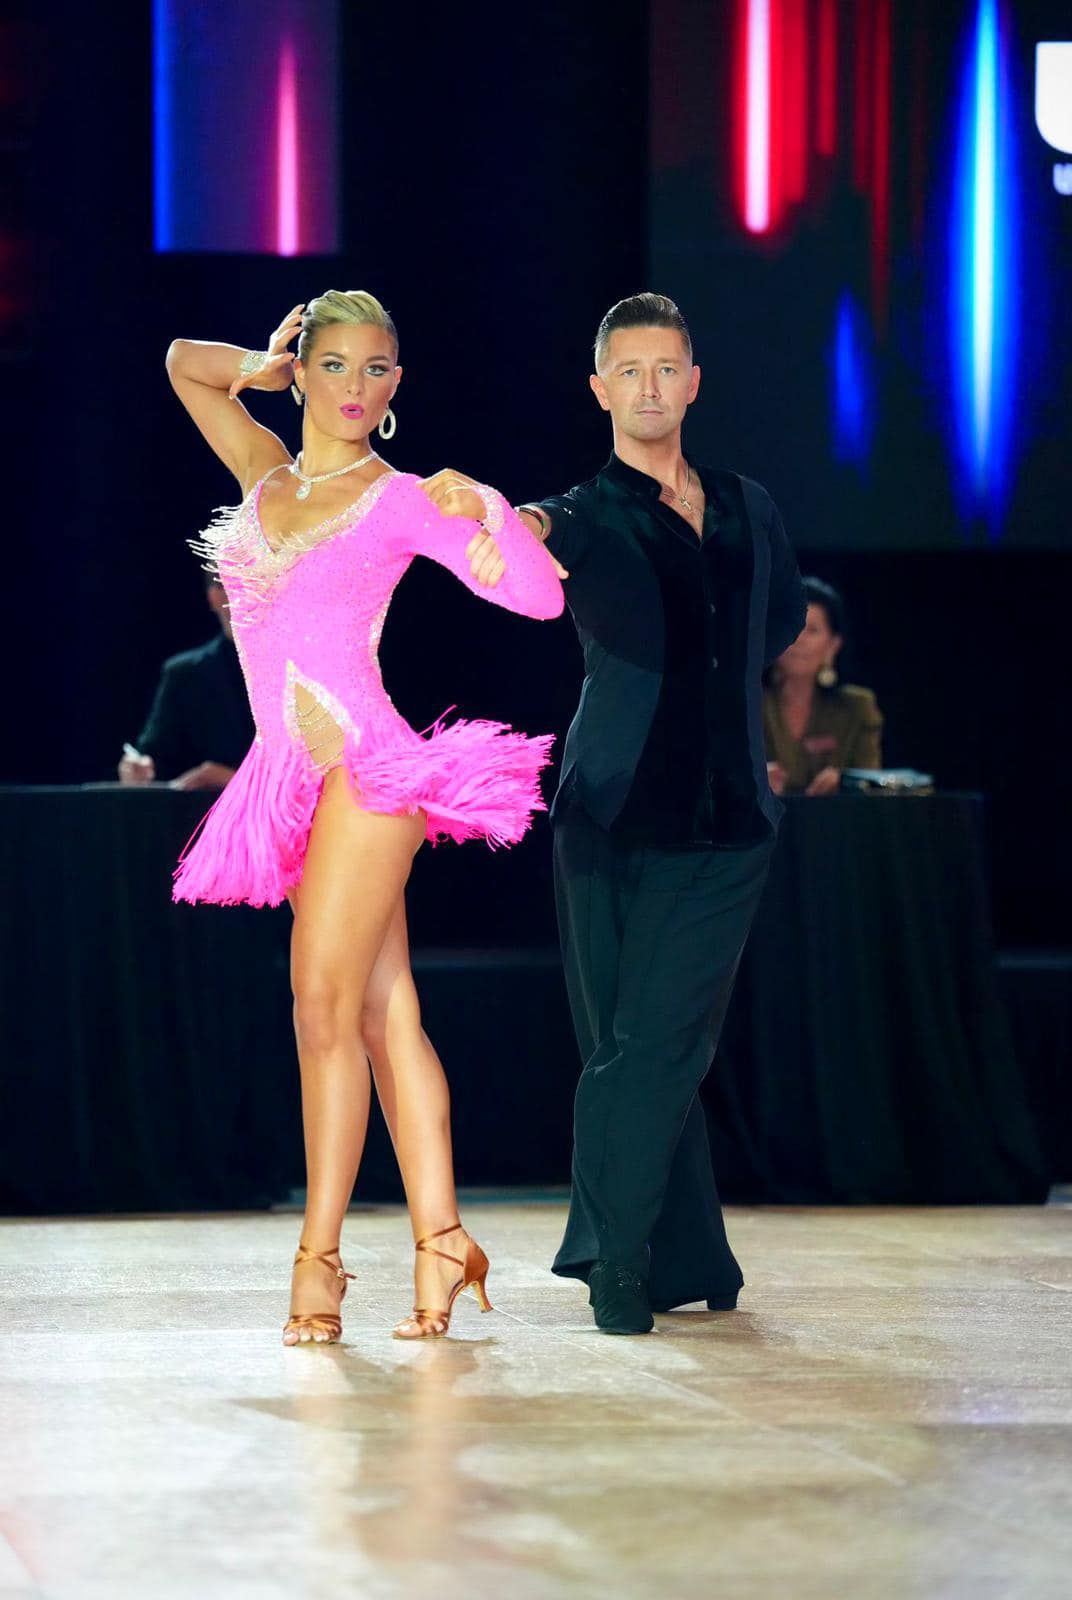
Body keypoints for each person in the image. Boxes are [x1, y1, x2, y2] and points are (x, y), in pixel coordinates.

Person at [166, 290, 564, 1344]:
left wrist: (480, 501)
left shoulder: (396, 498)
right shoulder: (262, 476)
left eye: (376, 369)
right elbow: (180, 361)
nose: (355, 386)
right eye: (333, 364)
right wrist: (259, 357)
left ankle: (320, 1258)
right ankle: (443, 1244)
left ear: (396, 388)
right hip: (284, 777)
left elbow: (538, 599)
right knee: (385, 1011)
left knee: (320, 1004)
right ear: (303, 371)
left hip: (367, 768)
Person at [505, 292, 805, 1333]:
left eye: (664, 367)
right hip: (608, 810)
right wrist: (496, 522)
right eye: (626, 371)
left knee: (662, 1038)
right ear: (600, 389)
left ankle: (615, 1260)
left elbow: (778, 623)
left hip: (728, 821)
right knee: (627, 1041)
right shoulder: (584, 510)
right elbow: (529, 536)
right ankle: (690, 1251)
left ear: (692, 380)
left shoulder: (745, 503)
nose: (647, 387)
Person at [118, 573, 253, 789]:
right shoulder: (186, 674)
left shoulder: (303, 669)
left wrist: (237, 782)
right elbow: (155, 758)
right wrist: (138, 768)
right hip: (202, 816)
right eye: (239, 583)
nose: (251, 595)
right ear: (214, 596)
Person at [763, 576, 883, 796]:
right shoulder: (742, 703)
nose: (799, 640)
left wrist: (845, 782)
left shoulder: (857, 706)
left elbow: (872, 785)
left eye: (812, 630)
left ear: (833, 645)